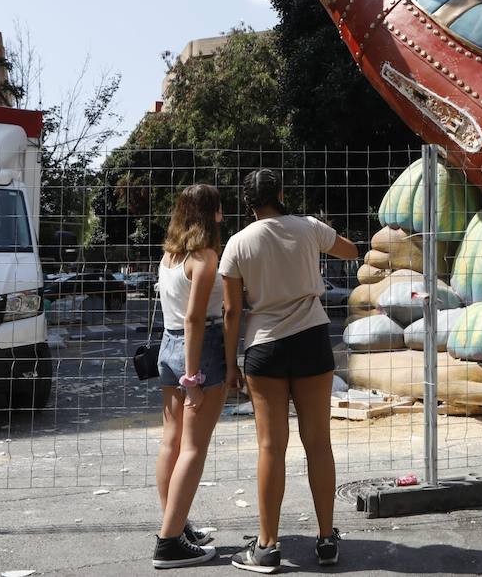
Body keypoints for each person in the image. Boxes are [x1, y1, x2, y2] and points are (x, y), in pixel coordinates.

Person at [221, 169, 359, 573]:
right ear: (281, 193)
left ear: (248, 203)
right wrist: (317, 240)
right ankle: (326, 538)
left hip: (264, 347)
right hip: (312, 339)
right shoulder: (308, 227)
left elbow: (232, 311)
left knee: (270, 446)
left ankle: (266, 546)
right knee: (318, 443)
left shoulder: (238, 243)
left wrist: (231, 364)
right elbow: (350, 251)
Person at [152, 183, 233, 568]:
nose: (223, 214)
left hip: (169, 346)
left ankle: (175, 523)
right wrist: (194, 376)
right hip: (198, 351)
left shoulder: (169, 257)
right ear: (210, 213)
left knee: (171, 443)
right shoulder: (204, 258)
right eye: (218, 208)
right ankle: (169, 542)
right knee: (193, 448)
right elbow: (196, 319)